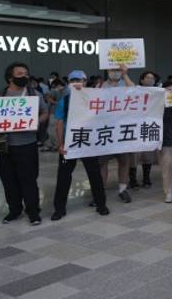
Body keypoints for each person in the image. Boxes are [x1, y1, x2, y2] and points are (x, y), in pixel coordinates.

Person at [0, 62, 49, 226]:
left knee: (29, 179)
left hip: (27, 144)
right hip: (4, 145)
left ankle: (33, 212)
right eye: (20, 74)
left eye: (26, 73)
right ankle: (14, 210)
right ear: (10, 77)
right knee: (8, 180)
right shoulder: (0, 95)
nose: (24, 76)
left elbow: (45, 112)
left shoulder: (34, 95)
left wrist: (34, 122)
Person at [51, 71, 109, 220]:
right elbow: (58, 123)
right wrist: (60, 144)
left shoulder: (92, 98)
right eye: (73, 80)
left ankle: (101, 204)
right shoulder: (65, 100)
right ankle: (59, 209)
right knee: (63, 176)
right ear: (69, 82)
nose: (77, 82)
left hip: (87, 143)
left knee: (94, 174)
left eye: (80, 80)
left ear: (85, 82)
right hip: (69, 145)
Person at [100, 65, 135, 200]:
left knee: (124, 161)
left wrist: (125, 75)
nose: (115, 73)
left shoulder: (126, 83)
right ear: (107, 71)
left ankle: (123, 189)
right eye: (112, 70)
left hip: (123, 129)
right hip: (106, 128)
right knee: (102, 162)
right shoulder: (101, 86)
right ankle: (100, 190)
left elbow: (134, 92)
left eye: (117, 70)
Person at [134, 71, 161, 188]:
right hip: (136, 126)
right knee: (134, 155)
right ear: (142, 80)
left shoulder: (158, 92)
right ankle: (132, 179)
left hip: (150, 125)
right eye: (147, 77)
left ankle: (146, 178)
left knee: (148, 154)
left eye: (152, 78)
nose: (150, 80)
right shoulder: (135, 90)